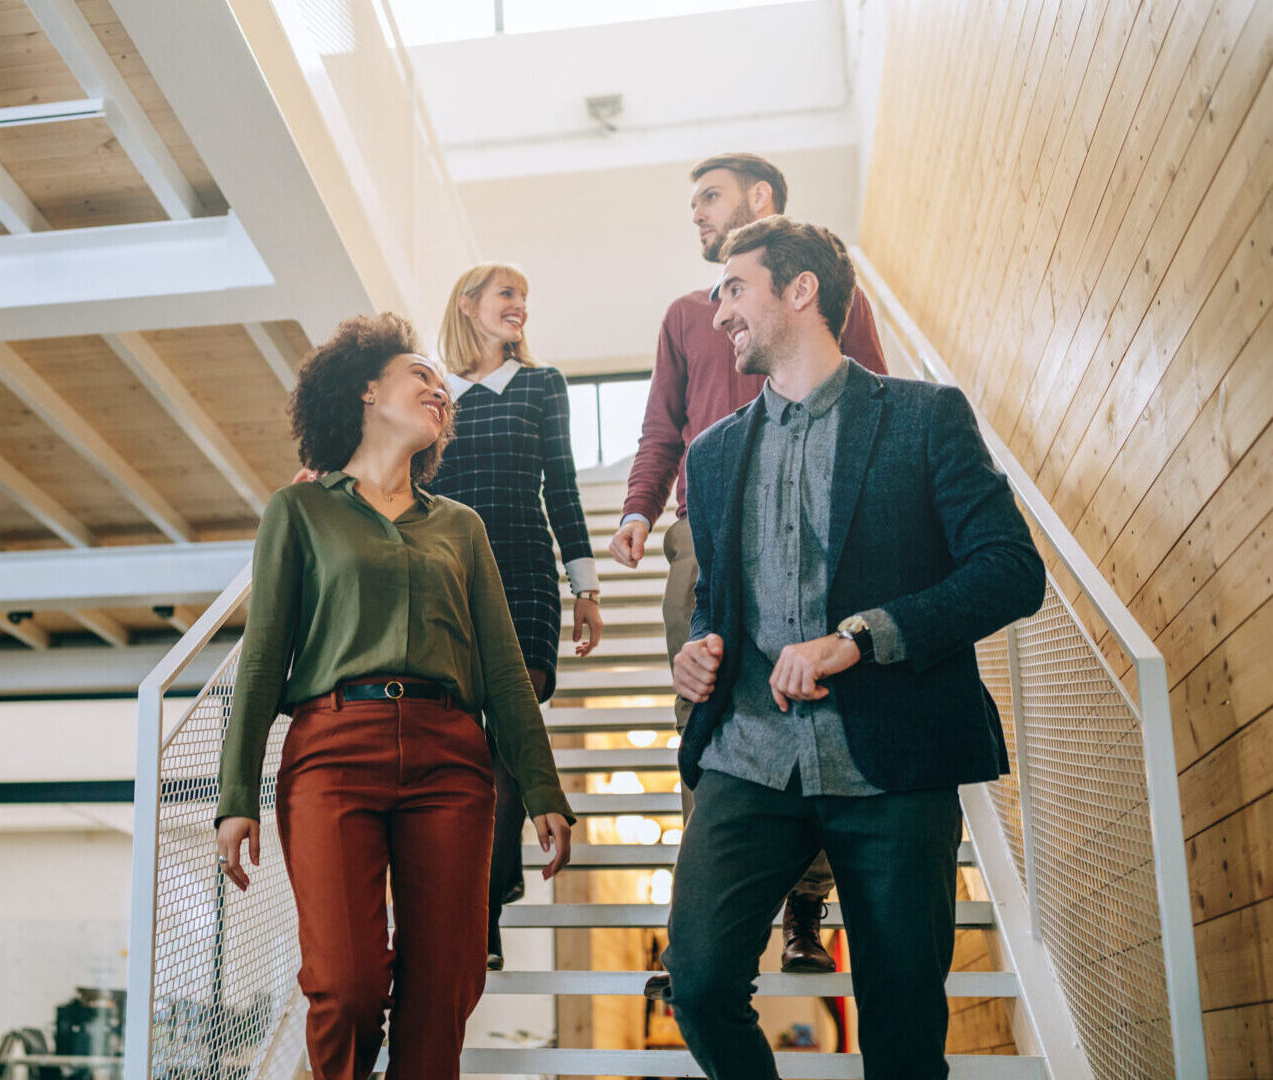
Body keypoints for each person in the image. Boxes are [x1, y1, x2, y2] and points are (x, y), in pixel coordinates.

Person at [662, 216, 1044, 1079]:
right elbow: (717, 604)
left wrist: (859, 640)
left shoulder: (924, 417)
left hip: (894, 764)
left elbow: (1011, 572)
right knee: (696, 981)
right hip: (747, 757)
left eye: (734, 288)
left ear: (800, 291)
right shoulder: (712, 454)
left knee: (903, 1023)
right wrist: (698, 651)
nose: (716, 310)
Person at [215, 313, 576, 1080]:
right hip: (332, 752)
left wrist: (541, 786)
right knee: (346, 986)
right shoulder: (300, 512)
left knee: (443, 991)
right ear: (367, 389)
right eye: (421, 375)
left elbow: (506, 669)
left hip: (452, 759)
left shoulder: (461, 527)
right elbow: (261, 660)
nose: (438, 389)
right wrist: (235, 791)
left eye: (442, 384)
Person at [609, 152, 889, 977]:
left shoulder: (832, 299)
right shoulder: (684, 316)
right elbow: (662, 426)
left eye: (709, 198)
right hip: (705, 539)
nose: (695, 213)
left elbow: (872, 397)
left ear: (758, 199)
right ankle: (694, 923)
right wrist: (637, 506)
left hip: (822, 535)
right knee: (704, 720)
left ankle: (805, 912)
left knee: (817, 714)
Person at [427, 262, 603, 972]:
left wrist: (584, 585)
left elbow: (560, 484)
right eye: (507, 295)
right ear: (467, 304)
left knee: (504, 745)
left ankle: (483, 913)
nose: (519, 307)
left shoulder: (540, 385)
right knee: (463, 750)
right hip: (447, 581)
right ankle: (477, 894)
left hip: (526, 575)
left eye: (524, 298)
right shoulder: (432, 394)